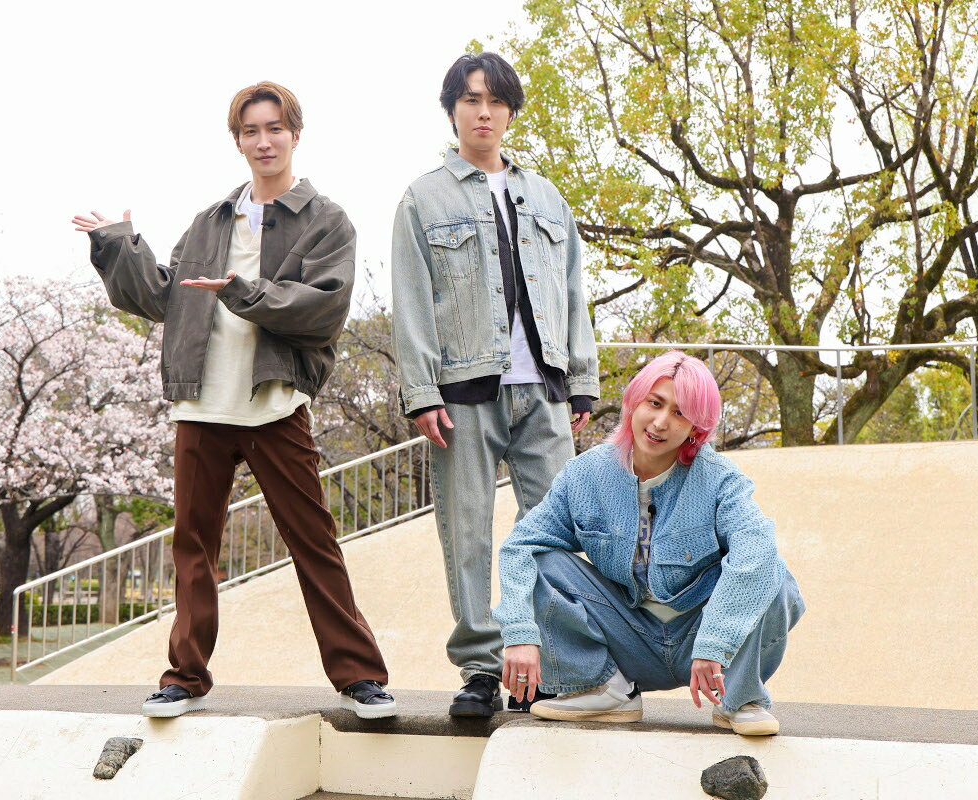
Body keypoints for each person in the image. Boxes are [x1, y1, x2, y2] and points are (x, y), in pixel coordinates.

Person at [72, 81, 395, 720]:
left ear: (295, 134)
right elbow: (162, 297)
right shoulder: (210, 220)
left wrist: (242, 291)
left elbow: (323, 309)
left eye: (275, 128)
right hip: (201, 405)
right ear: (238, 141)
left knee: (314, 544)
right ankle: (183, 678)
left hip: (273, 403)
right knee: (193, 549)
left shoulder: (326, 220)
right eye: (251, 131)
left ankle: (360, 677)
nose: (264, 141)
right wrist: (117, 245)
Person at [391, 52, 600, 717]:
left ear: (510, 112)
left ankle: (546, 666)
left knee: (556, 530)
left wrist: (582, 380)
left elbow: (573, 290)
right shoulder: (423, 198)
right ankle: (482, 669)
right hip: (463, 390)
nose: (484, 112)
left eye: (496, 101)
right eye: (471, 100)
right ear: (452, 110)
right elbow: (411, 301)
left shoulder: (548, 197)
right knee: (468, 533)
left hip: (544, 387)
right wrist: (422, 392)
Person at [494, 352, 804, 735]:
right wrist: (519, 632)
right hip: (626, 636)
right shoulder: (585, 475)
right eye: (654, 403)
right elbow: (520, 546)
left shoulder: (719, 479)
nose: (660, 422)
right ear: (633, 402)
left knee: (773, 573)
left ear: (695, 428)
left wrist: (715, 642)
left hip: (704, 647)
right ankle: (605, 688)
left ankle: (740, 699)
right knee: (542, 561)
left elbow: (755, 549)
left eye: (680, 413)